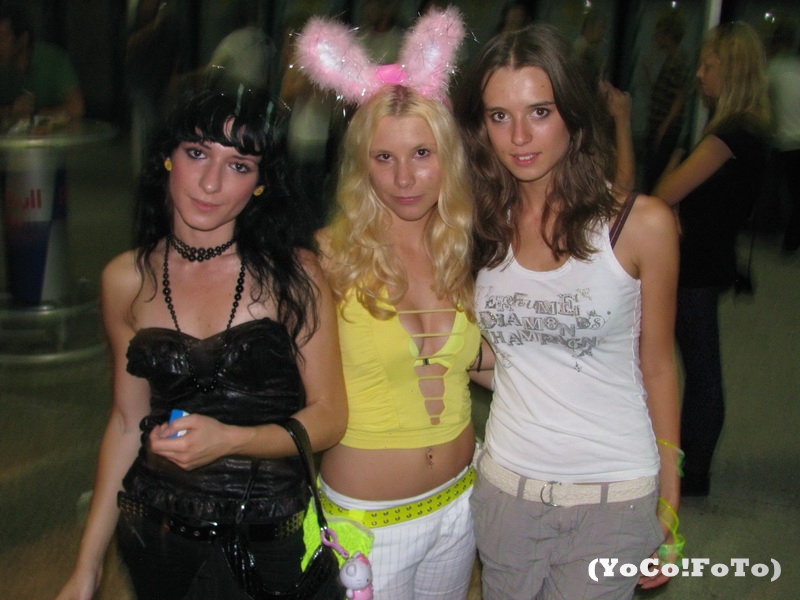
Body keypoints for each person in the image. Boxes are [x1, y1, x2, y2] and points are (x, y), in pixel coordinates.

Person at [54, 76, 347, 600]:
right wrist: (87, 566)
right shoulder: (125, 279)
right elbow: (126, 422)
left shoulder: (293, 275)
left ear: (260, 183)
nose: (211, 183)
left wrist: (233, 440)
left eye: (239, 165)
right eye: (197, 153)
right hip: (155, 539)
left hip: (270, 547)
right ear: (167, 157)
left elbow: (329, 417)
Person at [454, 23, 681, 599]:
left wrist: (671, 497)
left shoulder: (641, 225)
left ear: (573, 116)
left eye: (540, 112)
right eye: (499, 116)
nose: (519, 137)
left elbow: (658, 367)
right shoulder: (478, 226)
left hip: (611, 492)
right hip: (505, 489)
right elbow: (505, 356)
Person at [296, 8, 490, 598]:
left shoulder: (463, 249)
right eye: (384, 158)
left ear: (448, 157)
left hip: (460, 505)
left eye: (422, 154)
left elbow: (484, 364)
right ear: (362, 165)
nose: (404, 178)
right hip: (368, 528)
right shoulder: (327, 258)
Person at [653, 22, 771, 497]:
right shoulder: (747, 129)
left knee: (700, 371)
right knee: (700, 368)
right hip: (709, 258)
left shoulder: (728, 134)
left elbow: (664, 193)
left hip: (695, 266)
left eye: (709, 65)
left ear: (733, 70)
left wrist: (675, 178)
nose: (700, 74)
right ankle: (692, 464)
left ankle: (694, 468)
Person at [0, 5, 84, 123]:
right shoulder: (3, 68)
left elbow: (76, 108)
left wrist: (34, 114)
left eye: (2, 38)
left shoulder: (52, 59)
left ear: (22, 39)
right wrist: (10, 110)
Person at [763, 16, 800, 253]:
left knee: (780, 191)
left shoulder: (773, 69)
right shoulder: (795, 67)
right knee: (794, 195)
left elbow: (762, 102)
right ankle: (788, 237)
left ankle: (785, 237)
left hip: (783, 141)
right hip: (792, 140)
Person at [643, 8, 690, 191]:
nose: (656, 38)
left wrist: (664, 126)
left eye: (660, 33)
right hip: (660, 123)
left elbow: (680, 96)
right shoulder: (670, 60)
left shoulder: (677, 61)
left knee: (656, 173)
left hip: (665, 126)